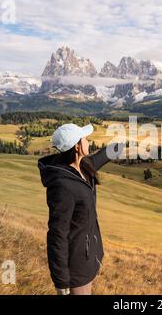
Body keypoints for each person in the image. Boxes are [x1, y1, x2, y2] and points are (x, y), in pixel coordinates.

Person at [38, 123, 123, 295]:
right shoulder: (62, 186)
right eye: (85, 139)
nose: (88, 142)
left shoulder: (83, 167)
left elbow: (101, 156)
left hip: (87, 255)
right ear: (77, 147)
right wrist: (61, 281)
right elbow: (57, 234)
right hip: (76, 265)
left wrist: (121, 144)